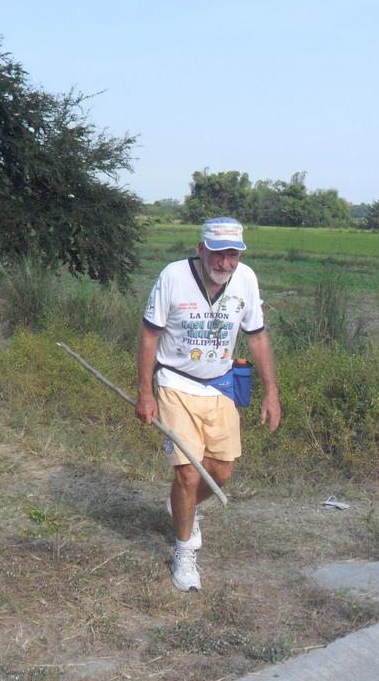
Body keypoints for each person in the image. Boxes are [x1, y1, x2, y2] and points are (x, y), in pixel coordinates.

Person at [135, 217, 281, 592]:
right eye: (217, 254)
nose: (225, 263)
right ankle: (184, 553)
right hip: (175, 383)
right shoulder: (173, 276)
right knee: (188, 474)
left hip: (221, 385)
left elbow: (257, 337)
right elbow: (150, 335)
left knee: (220, 471)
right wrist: (145, 391)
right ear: (201, 250)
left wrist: (271, 392)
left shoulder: (246, 279)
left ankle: (184, 506)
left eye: (233, 255)